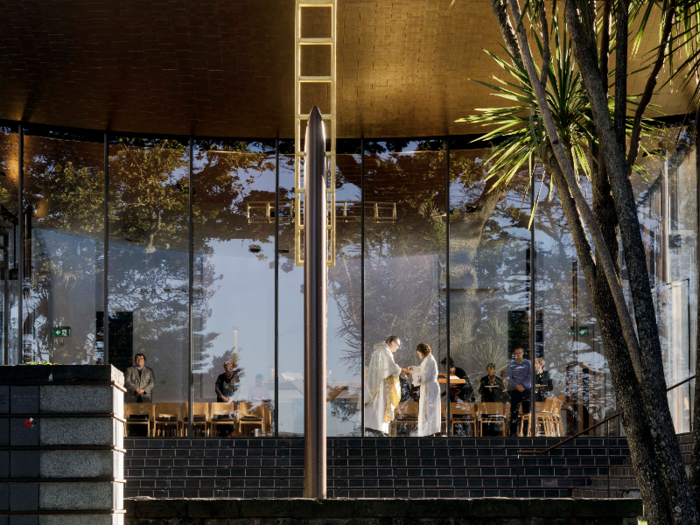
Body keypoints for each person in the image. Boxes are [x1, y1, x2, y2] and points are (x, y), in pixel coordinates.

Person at [364, 335, 405, 436]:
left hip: (380, 382)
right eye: (397, 345)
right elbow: (391, 366)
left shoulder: (382, 349)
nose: (398, 347)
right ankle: (377, 429)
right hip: (380, 384)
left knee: (379, 405)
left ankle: (379, 429)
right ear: (392, 342)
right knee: (379, 405)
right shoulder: (384, 350)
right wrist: (403, 371)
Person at [406, 343, 441, 437]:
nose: (418, 355)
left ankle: (428, 433)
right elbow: (422, 370)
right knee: (426, 410)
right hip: (428, 387)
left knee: (428, 411)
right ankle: (427, 432)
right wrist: (413, 369)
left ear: (423, 352)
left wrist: (412, 374)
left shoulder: (429, 360)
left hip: (430, 388)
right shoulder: (427, 359)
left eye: (419, 353)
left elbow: (424, 377)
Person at [507, 346, 531, 436]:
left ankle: (526, 433)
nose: (518, 355)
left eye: (519, 353)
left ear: (523, 353)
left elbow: (530, 376)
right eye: (516, 353)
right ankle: (513, 433)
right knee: (514, 411)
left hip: (526, 390)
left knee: (526, 412)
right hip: (514, 390)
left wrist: (523, 385)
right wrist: (516, 385)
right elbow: (509, 377)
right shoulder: (511, 364)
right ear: (514, 354)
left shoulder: (528, 363)